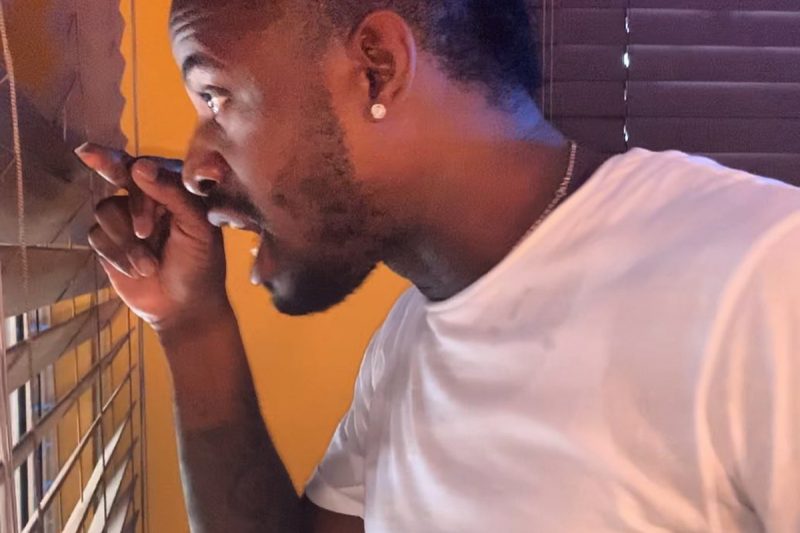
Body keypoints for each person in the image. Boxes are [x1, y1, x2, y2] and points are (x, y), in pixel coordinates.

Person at [75, 0, 800, 532]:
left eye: (215, 96)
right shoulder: (409, 335)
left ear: (376, 69)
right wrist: (189, 322)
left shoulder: (762, 275)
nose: (197, 167)